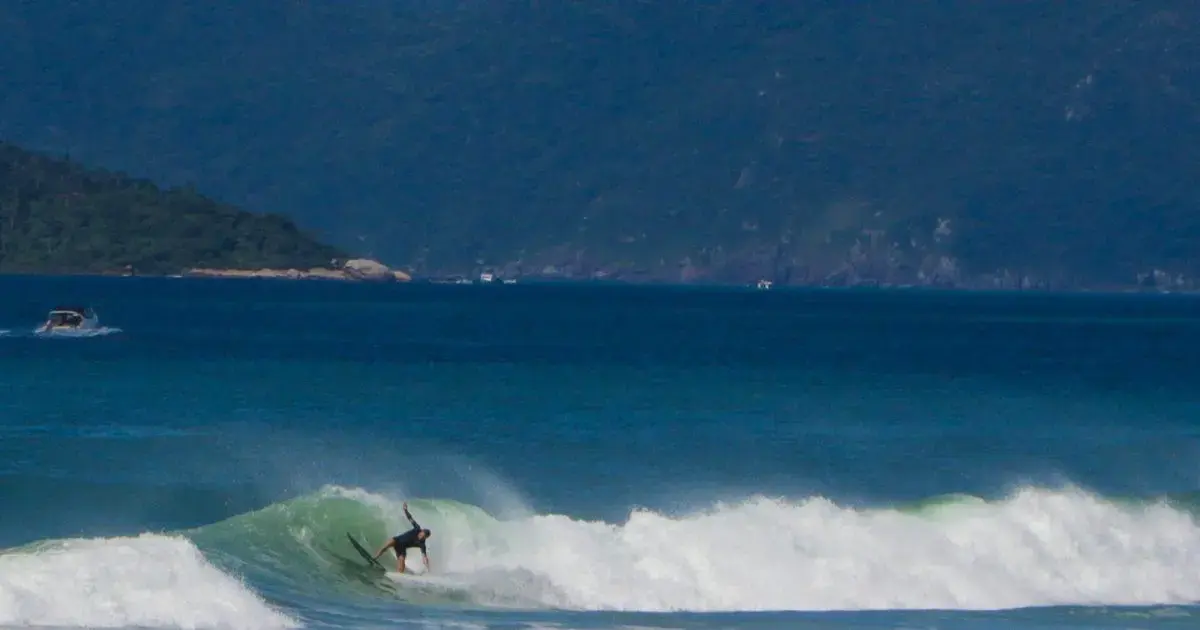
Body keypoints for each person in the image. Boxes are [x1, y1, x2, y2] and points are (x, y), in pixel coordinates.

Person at [373, 502, 432, 573]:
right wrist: (405, 510)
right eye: (421, 535)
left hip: (402, 548)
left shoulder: (422, 544)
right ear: (421, 531)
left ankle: (399, 576)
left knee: (401, 562)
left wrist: (427, 567)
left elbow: (424, 556)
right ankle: (374, 558)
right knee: (386, 545)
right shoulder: (417, 528)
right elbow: (410, 518)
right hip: (396, 540)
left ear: (426, 538)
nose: (421, 537)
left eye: (423, 537)